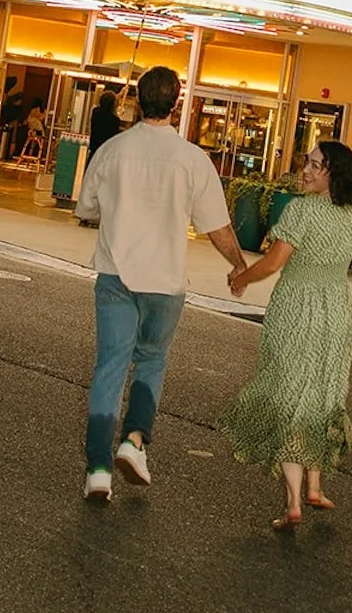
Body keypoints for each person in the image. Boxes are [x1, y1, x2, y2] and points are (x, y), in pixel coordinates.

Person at [220, 138, 352, 528]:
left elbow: (273, 264)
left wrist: (241, 279)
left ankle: (294, 501)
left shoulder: (301, 211)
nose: (306, 169)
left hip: (295, 307)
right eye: (307, 162)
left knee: (289, 390)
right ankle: (314, 486)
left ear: (333, 174)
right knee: (322, 389)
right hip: (335, 311)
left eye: (316, 165)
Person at [75, 65, 248, 503]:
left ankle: (98, 468)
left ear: (136, 99)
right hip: (165, 281)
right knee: (151, 361)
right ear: (177, 101)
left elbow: (87, 207)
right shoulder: (192, 160)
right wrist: (238, 267)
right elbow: (217, 227)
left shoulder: (112, 152)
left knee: (110, 366)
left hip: (116, 274)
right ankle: (134, 442)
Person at [87, 85, 123, 163]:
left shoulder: (95, 113)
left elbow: (108, 102)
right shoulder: (115, 120)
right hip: (106, 155)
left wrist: (120, 94)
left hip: (94, 152)